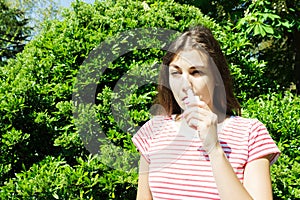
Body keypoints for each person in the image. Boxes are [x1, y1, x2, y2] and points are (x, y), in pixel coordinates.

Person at [132, 26, 280, 200]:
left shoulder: (250, 133)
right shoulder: (153, 130)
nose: (185, 84)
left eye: (196, 72)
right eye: (176, 73)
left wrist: (214, 149)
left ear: (217, 78)